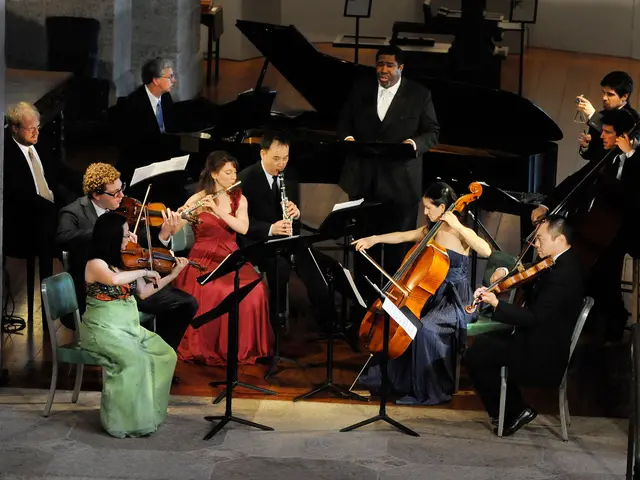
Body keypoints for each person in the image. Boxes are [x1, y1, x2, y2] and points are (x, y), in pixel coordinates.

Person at [352, 182, 492, 405]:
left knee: (425, 329)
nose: (425, 212)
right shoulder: (430, 230)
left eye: (429, 207)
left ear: (443, 207)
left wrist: (457, 224)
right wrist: (373, 239)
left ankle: (431, 391)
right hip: (428, 296)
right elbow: (401, 236)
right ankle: (394, 383)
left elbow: (486, 250)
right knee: (402, 322)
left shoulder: (459, 231)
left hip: (454, 299)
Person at [56, 163, 198, 355]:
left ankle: (159, 356)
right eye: (114, 193)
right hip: (97, 292)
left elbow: (145, 248)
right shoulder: (73, 212)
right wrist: (104, 233)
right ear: (97, 195)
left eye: (121, 189)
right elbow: (62, 239)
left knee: (185, 303)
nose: (121, 196)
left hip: (131, 285)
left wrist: (164, 234)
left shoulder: (127, 210)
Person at [466, 215, 585, 436]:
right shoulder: (557, 263)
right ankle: (513, 409)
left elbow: (534, 318)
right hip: (536, 340)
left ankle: (514, 411)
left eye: (540, 239)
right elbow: (531, 282)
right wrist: (506, 274)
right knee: (481, 346)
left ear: (559, 240)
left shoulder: (564, 274)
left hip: (542, 353)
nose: (535, 244)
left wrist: (495, 303)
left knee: (476, 355)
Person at [337, 44, 440, 292]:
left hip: (400, 185)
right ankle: (364, 298)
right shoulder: (361, 89)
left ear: (401, 68)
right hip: (364, 182)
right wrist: (348, 140)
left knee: (397, 250)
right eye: (380, 64)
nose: (383, 70)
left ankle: (394, 299)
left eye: (389, 65)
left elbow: (432, 132)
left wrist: (412, 144)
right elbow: (343, 123)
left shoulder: (419, 94)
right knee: (363, 245)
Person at [530, 108, 639, 342]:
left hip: (629, 229)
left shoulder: (635, 159)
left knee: (606, 261)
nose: (602, 136)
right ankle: (579, 317)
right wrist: (546, 206)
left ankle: (611, 320)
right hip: (603, 227)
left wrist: (630, 155)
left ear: (623, 137)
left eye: (608, 133)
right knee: (586, 250)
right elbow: (574, 181)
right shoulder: (606, 155)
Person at [82, 212, 188, 438]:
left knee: (165, 354)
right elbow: (114, 281)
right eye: (124, 234)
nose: (130, 237)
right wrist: (145, 270)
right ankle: (120, 422)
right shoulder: (95, 264)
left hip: (129, 328)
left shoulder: (126, 263)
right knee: (134, 360)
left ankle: (147, 414)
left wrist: (173, 274)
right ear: (110, 237)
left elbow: (145, 292)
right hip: (103, 330)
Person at [174, 151, 274, 365]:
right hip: (203, 258)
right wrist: (178, 216)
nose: (233, 176)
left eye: (234, 172)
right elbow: (176, 228)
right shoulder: (198, 199)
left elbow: (243, 228)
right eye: (228, 172)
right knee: (216, 290)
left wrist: (218, 211)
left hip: (230, 255)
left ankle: (244, 347)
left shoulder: (239, 199)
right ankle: (210, 346)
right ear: (214, 174)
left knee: (254, 289)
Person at [237, 129, 336, 332]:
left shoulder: (289, 176)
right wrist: (271, 228)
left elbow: (293, 220)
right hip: (257, 241)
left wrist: (296, 213)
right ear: (262, 154)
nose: (281, 164)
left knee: (314, 261)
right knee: (279, 267)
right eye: (276, 158)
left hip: (285, 239)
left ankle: (328, 321)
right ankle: (276, 323)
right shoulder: (246, 178)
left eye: (285, 158)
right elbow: (241, 223)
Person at [3, 102, 77, 280]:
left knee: (82, 214)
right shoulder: (6, 154)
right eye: (31, 129)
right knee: (65, 231)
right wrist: (56, 212)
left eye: (38, 127)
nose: (36, 133)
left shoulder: (39, 142)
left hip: (50, 208)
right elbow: (21, 195)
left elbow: (61, 171)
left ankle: (79, 280)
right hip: (27, 219)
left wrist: (90, 181)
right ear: (15, 128)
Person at [571, 71, 639, 161]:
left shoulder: (633, 118)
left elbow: (621, 147)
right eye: (603, 93)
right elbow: (591, 155)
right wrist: (586, 146)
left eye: (610, 94)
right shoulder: (602, 115)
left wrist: (593, 115)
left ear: (624, 96)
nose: (604, 98)